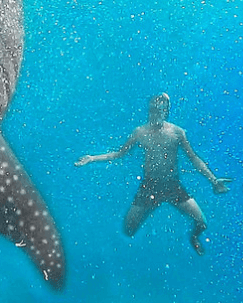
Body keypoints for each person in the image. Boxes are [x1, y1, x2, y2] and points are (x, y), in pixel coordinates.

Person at [75, 93, 232, 255]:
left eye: (161, 110)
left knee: (202, 223)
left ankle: (193, 237)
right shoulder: (139, 132)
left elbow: (193, 158)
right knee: (128, 230)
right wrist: (92, 158)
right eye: (154, 109)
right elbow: (118, 153)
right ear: (149, 110)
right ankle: (151, 209)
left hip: (172, 185)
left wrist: (213, 180)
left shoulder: (177, 132)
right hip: (149, 186)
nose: (157, 113)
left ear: (166, 111)